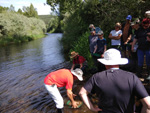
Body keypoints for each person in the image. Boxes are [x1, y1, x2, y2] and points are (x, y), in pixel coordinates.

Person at [79, 48, 150, 113]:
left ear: (105, 63)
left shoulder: (96, 77)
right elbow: (148, 104)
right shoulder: (132, 77)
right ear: (118, 62)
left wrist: (92, 108)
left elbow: (82, 93)